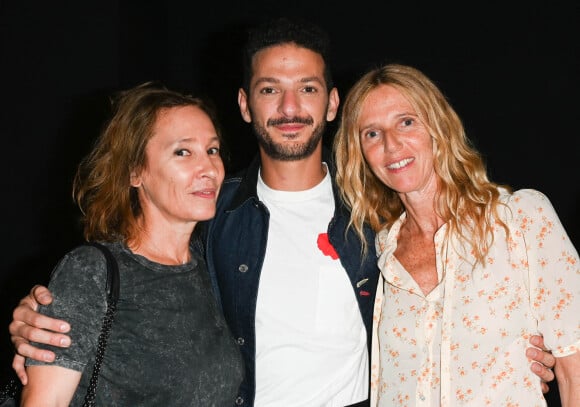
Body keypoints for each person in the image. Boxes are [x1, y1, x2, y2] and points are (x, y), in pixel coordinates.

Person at [8, 18, 557, 407]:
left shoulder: (382, 213)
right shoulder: (210, 213)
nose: (290, 108)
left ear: (333, 103)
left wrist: (521, 350)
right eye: (271, 90)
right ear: (246, 105)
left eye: (307, 89)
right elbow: (135, 276)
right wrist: (44, 323)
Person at [333, 63, 580, 406]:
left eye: (406, 122)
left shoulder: (520, 219)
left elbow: (573, 367)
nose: (391, 144)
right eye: (372, 133)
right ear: (359, 152)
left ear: (438, 127)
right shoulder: (378, 250)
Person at [19, 82, 244, 406]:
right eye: (183, 152)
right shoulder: (91, 272)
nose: (208, 168)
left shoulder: (209, 263)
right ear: (134, 172)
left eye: (212, 149)